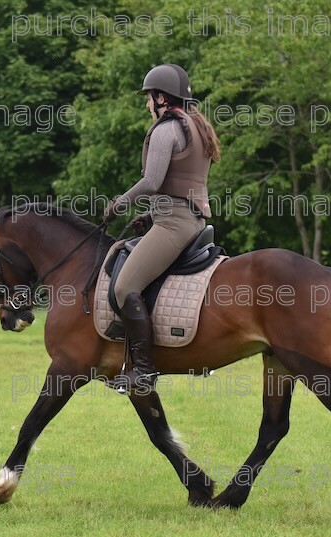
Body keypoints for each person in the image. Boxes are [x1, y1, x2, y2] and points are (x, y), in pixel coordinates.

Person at [104, 63, 221, 392]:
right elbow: (181, 185)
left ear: (162, 98)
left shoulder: (165, 129)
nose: (146, 105)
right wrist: (151, 217)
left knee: (124, 288)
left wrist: (119, 204)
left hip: (174, 226)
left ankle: (143, 371)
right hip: (187, 220)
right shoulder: (197, 125)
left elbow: (152, 181)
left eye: (149, 97)